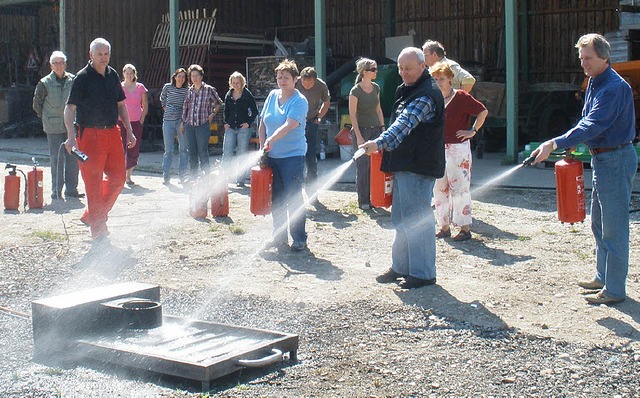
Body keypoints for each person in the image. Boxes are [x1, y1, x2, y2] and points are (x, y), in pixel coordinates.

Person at [529, 33, 637, 305]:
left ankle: (614, 290)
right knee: (599, 224)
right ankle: (603, 277)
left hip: (614, 159)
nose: (584, 63)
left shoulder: (612, 87)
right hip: (602, 158)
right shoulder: (594, 82)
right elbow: (587, 121)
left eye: (588, 58)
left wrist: (555, 142)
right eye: (581, 58)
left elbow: (593, 125)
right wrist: (572, 145)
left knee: (615, 228)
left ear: (604, 56)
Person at [360, 47, 445, 289]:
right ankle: (401, 267)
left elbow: (404, 123)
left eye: (408, 68)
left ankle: (423, 273)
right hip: (406, 164)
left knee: (417, 220)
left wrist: (378, 143)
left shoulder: (426, 95)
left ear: (422, 67)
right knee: (401, 218)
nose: (403, 73)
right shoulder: (409, 88)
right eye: (400, 68)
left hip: (419, 167)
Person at [63, 37, 136, 241]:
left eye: (106, 54)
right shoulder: (82, 77)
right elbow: (69, 110)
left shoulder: (113, 75)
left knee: (119, 180)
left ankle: (92, 215)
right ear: (91, 55)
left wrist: (129, 131)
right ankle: (99, 233)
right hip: (89, 136)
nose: (103, 58)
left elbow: (121, 105)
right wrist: (71, 137)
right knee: (93, 186)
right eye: (99, 54)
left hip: (113, 132)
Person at [430, 61, 488, 241]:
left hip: (457, 148)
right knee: (439, 188)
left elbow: (482, 111)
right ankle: (443, 226)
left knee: (460, 188)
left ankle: (464, 228)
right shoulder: (433, 99)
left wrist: (473, 131)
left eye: (442, 79)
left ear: (450, 79)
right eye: (436, 79)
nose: (439, 82)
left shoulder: (461, 97)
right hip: (437, 148)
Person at [258, 59, 309, 252]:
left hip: (293, 156)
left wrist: (271, 140)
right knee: (277, 198)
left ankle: (299, 238)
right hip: (272, 156)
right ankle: (278, 236)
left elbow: (290, 125)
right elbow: (262, 123)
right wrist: (263, 147)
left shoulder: (299, 101)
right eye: (279, 77)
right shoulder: (272, 96)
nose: (282, 80)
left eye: (286, 77)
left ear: (295, 79)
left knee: (293, 196)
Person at [32, 50, 82, 200]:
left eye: (62, 63)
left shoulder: (73, 80)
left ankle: (71, 189)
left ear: (65, 64)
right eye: (56, 63)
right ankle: (56, 190)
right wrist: (46, 118)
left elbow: (80, 100)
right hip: (53, 127)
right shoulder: (44, 83)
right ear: (51, 66)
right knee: (56, 159)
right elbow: (37, 104)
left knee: (73, 157)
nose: (59, 66)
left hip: (71, 126)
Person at [348, 58, 386, 210]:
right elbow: (352, 115)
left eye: (376, 69)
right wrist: (358, 136)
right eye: (373, 69)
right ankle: (363, 200)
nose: (376, 72)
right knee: (363, 167)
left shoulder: (376, 87)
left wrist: (383, 128)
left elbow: (378, 109)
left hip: (376, 129)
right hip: (362, 130)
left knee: (375, 166)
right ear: (365, 72)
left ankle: (375, 197)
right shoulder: (355, 91)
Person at [181, 64, 222, 178]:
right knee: (192, 152)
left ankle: (206, 177)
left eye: (196, 75)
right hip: (189, 124)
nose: (194, 78)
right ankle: (193, 177)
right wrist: (182, 123)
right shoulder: (189, 91)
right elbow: (185, 108)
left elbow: (218, 103)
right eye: (192, 76)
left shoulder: (209, 90)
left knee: (203, 151)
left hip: (203, 124)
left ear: (201, 76)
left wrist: (212, 114)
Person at [295, 66, 330, 189]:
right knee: (296, 152)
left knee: (310, 153)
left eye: (310, 82)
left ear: (315, 80)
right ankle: (297, 183)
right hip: (295, 122)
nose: (307, 85)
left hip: (311, 121)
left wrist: (319, 117)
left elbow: (326, 103)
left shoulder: (321, 85)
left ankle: (311, 185)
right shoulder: (295, 82)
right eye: (304, 82)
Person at [222, 71, 258, 187]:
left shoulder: (247, 94)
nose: (236, 85)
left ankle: (240, 179)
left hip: (243, 127)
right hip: (231, 127)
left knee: (241, 153)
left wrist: (248, 122)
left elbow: (255, 110)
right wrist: (225, 122)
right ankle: (224, 178)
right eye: (234, 83)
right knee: (227, 153)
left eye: (238, 83)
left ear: (242, 83)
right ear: (231, 83)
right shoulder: (229, 95)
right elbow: (225, 110)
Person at [117, 63, 148, 186]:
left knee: (134, 148)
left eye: (131, 73)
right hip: (121, 121)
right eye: (127, 73)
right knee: (120, 148)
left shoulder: (140, 87)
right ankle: (120, 175)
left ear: (135, 74)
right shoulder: (119, 87)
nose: (129, 75)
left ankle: (129, 175)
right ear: (123, 73)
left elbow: (145, 105)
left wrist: (142, 119)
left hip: (136, 121)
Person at [160, 67, 189, 184]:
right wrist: (166, 109)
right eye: (179, 76)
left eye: (183, 76)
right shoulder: (168, 87)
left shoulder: (186, 91)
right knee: (168, 150)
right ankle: (166, 175)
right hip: (168, 121)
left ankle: (182, 176)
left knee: (183, 149)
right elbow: (162, 98)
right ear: (175, 77)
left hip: (181, 121)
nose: (181, 78)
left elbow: (188, 105)